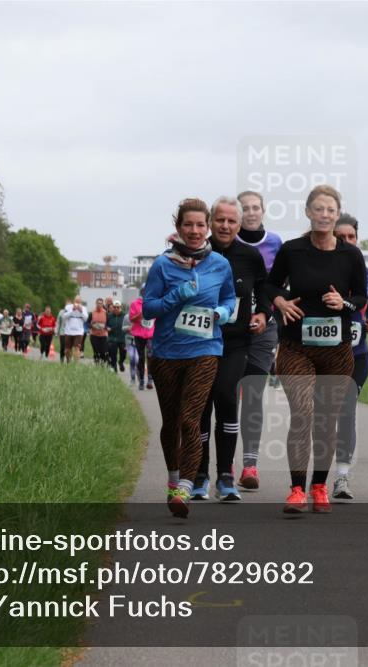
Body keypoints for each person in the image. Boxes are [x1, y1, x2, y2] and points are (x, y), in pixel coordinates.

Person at [267, 185, 366, 514]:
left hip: (336, 349)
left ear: (337, 215)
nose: (324, 215)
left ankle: (320, 486)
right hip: (296, 346)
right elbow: (271, 284)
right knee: (303, 414)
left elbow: (362, 298)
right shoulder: (292, 250)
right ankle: (297, 489)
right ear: (308, 212)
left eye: (330, 210)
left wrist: (345, 302)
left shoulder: (350, 255)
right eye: (318, 209)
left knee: (326, 420)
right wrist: (279, 300)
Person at [144, 197, 235, 518]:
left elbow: (228, 297)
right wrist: (174, 297)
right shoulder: (162, 264)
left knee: (190, 420)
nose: (195, 231)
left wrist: (225, 311)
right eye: (188, 225)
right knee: (171, 424)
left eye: (200, 225)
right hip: (167, 352)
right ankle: (172, 479)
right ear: (178, 228)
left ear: (207, 227)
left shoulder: (220, 264)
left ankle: (185, 484)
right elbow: (148, 308)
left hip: (205, 350)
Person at [194, 196, 269, 501]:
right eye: (220, 220)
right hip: (197, 342)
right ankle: (198, 475)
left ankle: (225, 475)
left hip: (235, 343)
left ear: (239, 224)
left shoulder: (250, 256)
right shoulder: (196, 253)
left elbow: (265, 289)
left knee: (226, 396)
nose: (225, 226)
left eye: (231, 221)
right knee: (200, 406)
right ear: (211, 221)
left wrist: (264, 313)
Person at [235, 190, 283, 489]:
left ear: (263, 211)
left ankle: (250, 465)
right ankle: (223, 463)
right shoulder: (227, 241)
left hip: (265, 329)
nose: (251, 213)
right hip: (230, 330)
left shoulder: (276, 243)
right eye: (245, 209)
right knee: (226, 395)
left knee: (252, 394)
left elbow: (282, 282)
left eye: (255, 208)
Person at [330, 214, 368, 500]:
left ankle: (342, 476)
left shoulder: (366, 273)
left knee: (346, 411)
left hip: (358, 354)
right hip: (325, 354)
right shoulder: (325, 269)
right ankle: (316, 478)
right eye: (341, 237)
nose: (347, 242)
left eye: (351, 237)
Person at [130, 288, 155, 389]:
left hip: (151, 335)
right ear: (142, 292)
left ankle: (150, 379)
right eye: (144, 290)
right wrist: (139, 315)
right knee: (141, 357)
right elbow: (132, 318)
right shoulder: (135, 303)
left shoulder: (154, 303)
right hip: (139, 334)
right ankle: (141, 380)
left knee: (150, 356)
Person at [62, 296, 88, 363]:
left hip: (79, 331)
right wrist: (72, 310)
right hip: (68, 331)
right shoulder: (68, 307)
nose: (77, 303)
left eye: (79, 302)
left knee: (77, 348)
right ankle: (68, 361)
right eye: (76, 301)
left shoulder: (84, 308)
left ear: (80, 302)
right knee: (67, 349)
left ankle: (76, 363)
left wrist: (81, 311)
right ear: (74, 301)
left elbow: (86, 318)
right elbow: (64, 316)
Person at [107, 300, 128, 372]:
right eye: (114, 307)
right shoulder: (109, 316)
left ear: (120, 308)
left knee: (123, 354)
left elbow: (128, 324)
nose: (116, 309)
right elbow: (105, 325)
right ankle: (114, 367)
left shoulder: (124, 316)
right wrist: (107, 328)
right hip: (112, 338)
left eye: (117, 307)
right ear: (112, 307)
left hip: (122, 338)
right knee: (113, 354)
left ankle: (121, 362)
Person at [90, 299, 109, 365]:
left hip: (103, 335)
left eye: (100, 303)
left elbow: (108, 323)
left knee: (103, 351)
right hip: (94, 335)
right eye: (98, 303)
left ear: (102, 304)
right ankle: (97, 364)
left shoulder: (105, 312)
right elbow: (87, 323)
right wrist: (92, 325)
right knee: (96, 351)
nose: (99, 305)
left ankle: (103, 364)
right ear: (96, 304)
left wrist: (106, 327)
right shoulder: (92, 312)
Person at [56, 298, 71, 363]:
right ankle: (61, 361)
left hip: (70, 333)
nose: (68, 306)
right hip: (63, 332)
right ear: (65, 305)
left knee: (69, 348)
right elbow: (58, 322)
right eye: (67, 304)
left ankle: (68, 361)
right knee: (63, 347)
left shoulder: (72, 313)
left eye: (69, 305)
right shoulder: (61, 312)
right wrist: (57, 331)